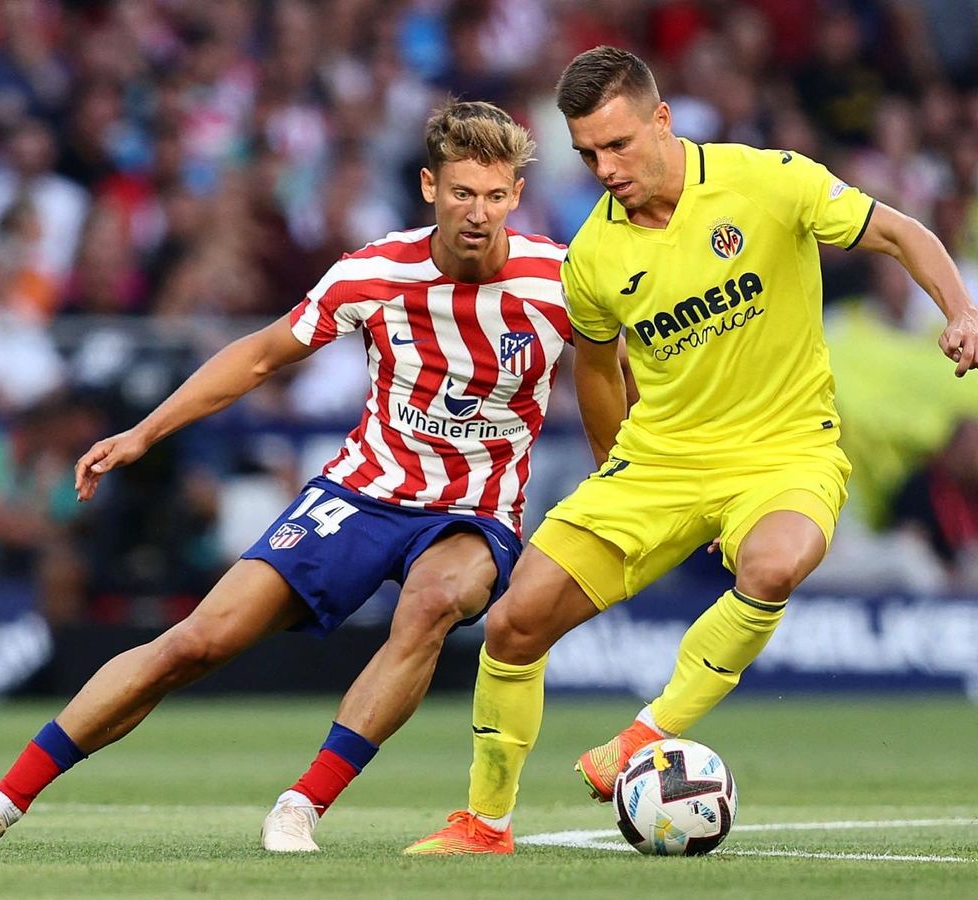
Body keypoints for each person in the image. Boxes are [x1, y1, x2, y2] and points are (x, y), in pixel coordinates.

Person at [0, 100, 572, 853]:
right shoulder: (374, 272)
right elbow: (259, 357)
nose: (478, 213)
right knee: (195, 642)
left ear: (517, 195)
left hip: (473, 513)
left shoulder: (559, 280)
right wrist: (143, 432)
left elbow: (613, 376)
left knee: (433, 603)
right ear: (430, 187)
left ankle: (301, 805)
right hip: (362, 493)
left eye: (494, 195)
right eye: (462, 193)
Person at [405, 46, 978, 856]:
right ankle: (484, 823)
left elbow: (899, 231)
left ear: (663, 120)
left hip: (786, 451)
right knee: (513, 623)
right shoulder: (594, 255)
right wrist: (612, 471)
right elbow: (597, 369)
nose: (607, 169)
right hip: (660, 462)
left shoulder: (768, 179)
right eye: (589, 154)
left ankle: (646, 735)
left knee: (774, 565)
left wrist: (960, 310)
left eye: (619, 145)